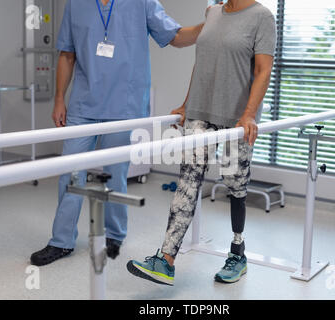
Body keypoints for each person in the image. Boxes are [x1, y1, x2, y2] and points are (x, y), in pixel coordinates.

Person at [30, 0, 205, 266]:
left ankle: (115, 234)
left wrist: (212, 26)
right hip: (83, 105)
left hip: (124, 105)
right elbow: (67, 54)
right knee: (70, 174)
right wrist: (58, 99)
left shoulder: (142, 3)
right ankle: (61, 241)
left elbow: (176, 36)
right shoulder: (76, 4)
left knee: (115, 175)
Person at [127, 0, 276, 285]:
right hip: (201, 111)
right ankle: (166, 259)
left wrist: (248, 115)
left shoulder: (262, 17)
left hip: (237, 120)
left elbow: (263, 69)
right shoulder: (213, 12)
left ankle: (237, 252)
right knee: (188, 180)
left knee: (235, 183)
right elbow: (202, 63)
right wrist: (186, 105)